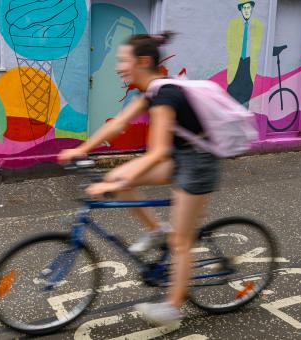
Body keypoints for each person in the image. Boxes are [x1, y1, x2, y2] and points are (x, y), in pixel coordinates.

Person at [58, 32, 220, 326]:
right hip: (180, 156)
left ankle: (173, 309)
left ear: (143, 61)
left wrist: (112, 185)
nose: (119, 66)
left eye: (123, 60)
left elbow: (156, 153)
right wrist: (81, 149)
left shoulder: (165, 96)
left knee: (181, 242)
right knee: (119, 178)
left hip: (199, 163)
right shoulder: (149, 92)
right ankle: (157, 230)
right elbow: (118, 125)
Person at [227, 0, 263, 108]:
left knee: (246, 97)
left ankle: (242, 119)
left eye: (248, 8)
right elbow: (230, 44)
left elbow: (257, 46)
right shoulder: (234, 24)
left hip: (249, 64)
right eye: (244, 8)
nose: (246, 11)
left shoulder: (257, 25)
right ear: (241, 10)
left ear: (251, 9)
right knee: (231, 95)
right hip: (236, 63)